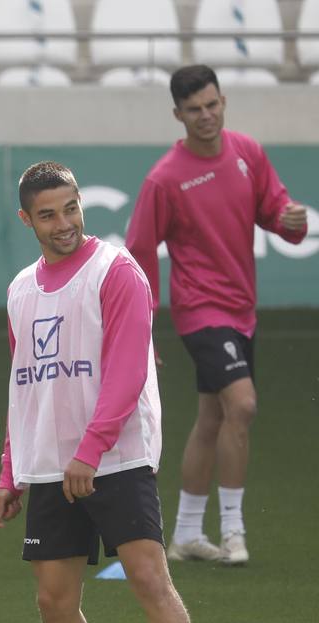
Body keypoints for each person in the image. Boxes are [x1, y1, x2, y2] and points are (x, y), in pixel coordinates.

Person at [0, 161, 213, 623]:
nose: (64, 223)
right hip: (48, 467)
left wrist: (90, 451)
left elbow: (127, 370)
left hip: (116, 456)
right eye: (48, 214)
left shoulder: (117, 272)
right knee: (53, 601)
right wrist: (12, 473)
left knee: (147, 576)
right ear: (26, 219)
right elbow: (21, 387)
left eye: (70, 208)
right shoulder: (20, 290)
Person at [126, 65, 310, 567]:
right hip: (200, 309)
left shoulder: (247, 152)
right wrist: (140, 332)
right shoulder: (164, 180)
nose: (205, 116)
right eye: (194, 110)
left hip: (241, 308)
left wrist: (291, 221)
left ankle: (186, 533)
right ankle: (233, 530)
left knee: (213, 418)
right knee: (243, 405)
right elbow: (139, 254)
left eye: (212, 105)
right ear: (177, 114)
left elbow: (275, 211)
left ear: (223, 101)